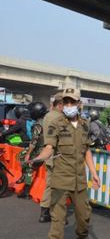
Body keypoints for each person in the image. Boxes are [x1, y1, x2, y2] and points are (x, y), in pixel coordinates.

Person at [31, 87, 100, 239]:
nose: (69, 105)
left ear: (79, 103)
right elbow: (49, 147)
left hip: (79, 181)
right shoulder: (55, 123)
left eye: (72, 101)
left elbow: (86, 150)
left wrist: (94, 173)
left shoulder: (85, 125)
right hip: (60, 180)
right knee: (57, 223)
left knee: (84, 219)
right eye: (66, 101)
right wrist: (39, 159)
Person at [39, 92, 64, 223]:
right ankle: (57, 214)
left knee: (49, 185)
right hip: (59, 156)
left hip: (49, 155)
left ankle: (44, 212)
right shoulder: (60, 118)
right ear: (60, 105)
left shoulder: (47, 116)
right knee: (60, 187)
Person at [16, 102, 48, 199]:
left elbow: (34, 142)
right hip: (47, 148)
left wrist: (28, 154)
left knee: (29, 166)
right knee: (21, 155)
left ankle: (25, 192)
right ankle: (23, 176)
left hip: (40, 150)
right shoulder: (47, 121)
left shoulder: (37, 125)